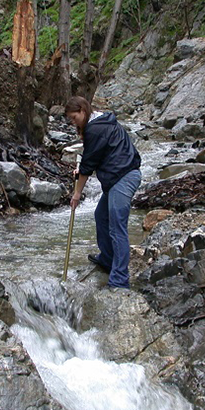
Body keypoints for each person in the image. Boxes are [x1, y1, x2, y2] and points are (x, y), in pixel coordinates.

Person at [65, 96, 142, 289]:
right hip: (120, 176)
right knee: (101, 215)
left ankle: (119, 280)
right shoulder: (102, 121)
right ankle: (107, 259)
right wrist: (83, 168)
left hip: (123, 178)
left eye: (74, 118)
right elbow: (97, 157)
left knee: (117, 228)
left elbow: (88, 165)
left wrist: (76, 194)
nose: (73, 122)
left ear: (83, 110)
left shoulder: (95, 129)